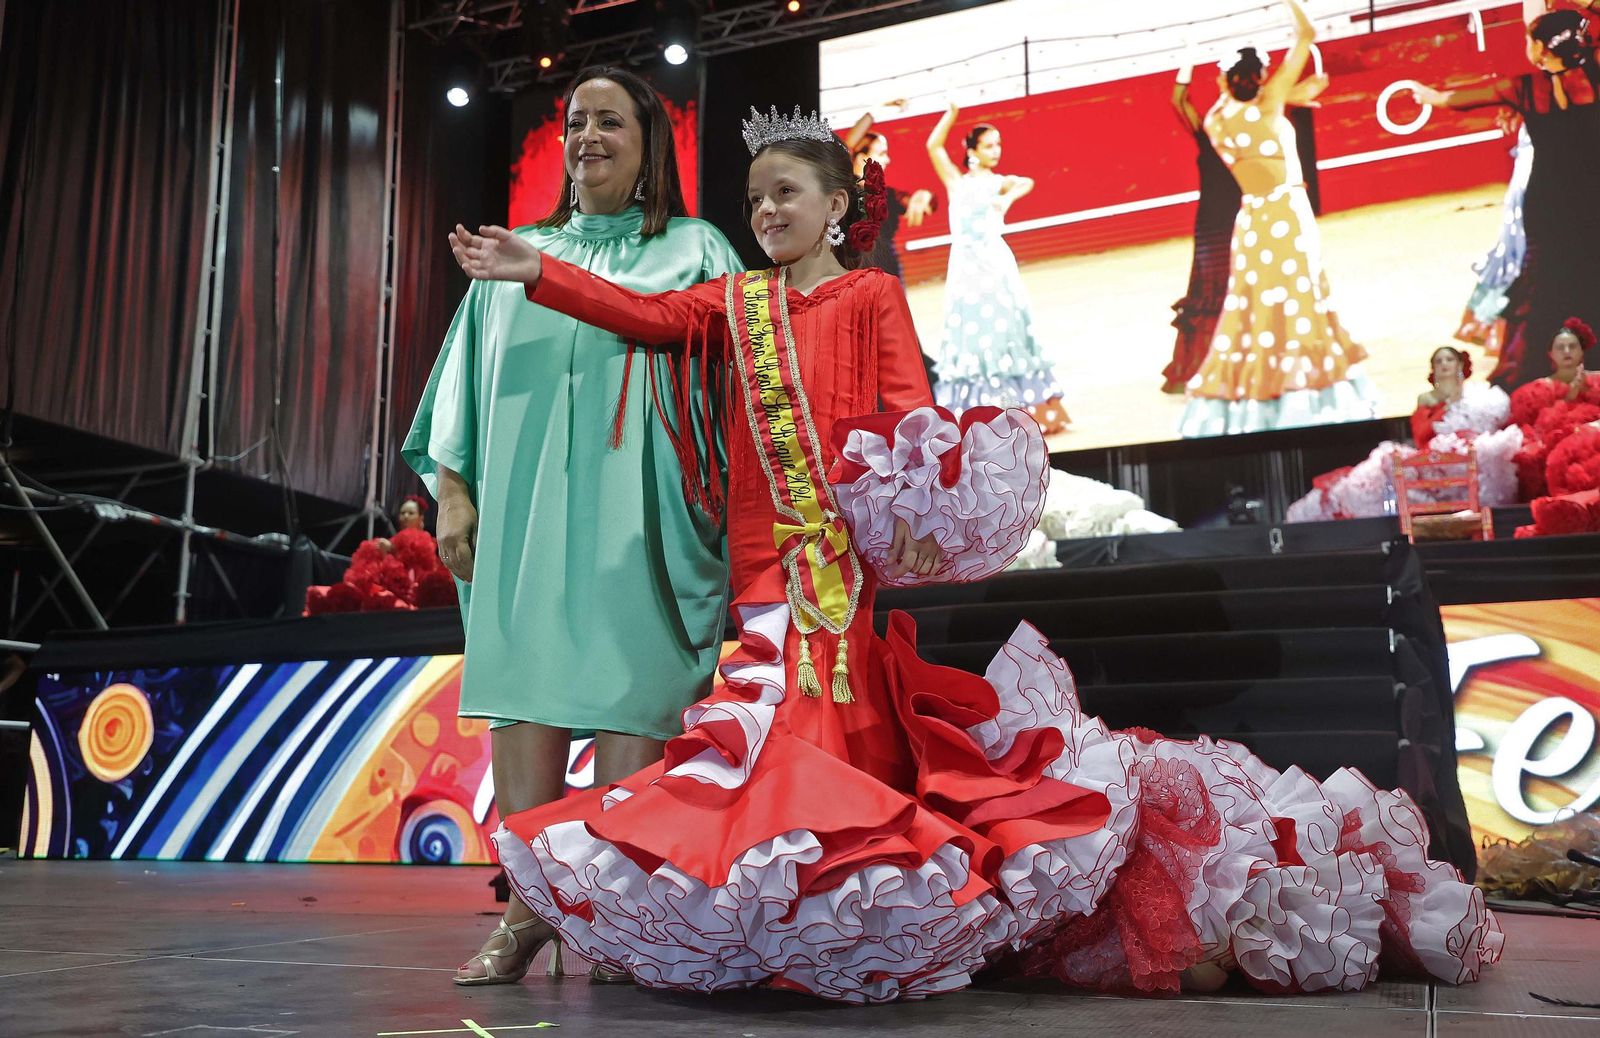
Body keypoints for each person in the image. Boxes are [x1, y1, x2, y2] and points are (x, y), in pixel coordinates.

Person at [447, 105, 1501, 1003]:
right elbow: (639, 311)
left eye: (785, 195)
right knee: (770, 723)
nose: (766, 213)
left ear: (834, 207)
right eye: (755, 199)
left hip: (834, 558)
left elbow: (911, 418)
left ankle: (831, 913)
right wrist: (534, 267)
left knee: (805, 724)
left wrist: (912, 498)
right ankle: (797, 920)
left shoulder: (867, 296)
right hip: (755, 555)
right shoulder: (736, 303)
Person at [402, 66, 746, 985]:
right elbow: (459, 392)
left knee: (634, 696)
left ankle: (618, 909)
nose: (588, 134)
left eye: (610, 121)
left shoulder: (696, 247)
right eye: (575, 121)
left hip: (646, 519)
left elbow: (744, 381)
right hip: (525, 518)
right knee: (525, 695)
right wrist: (455, 496)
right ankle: (530, 911)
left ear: (649, 144)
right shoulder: (511, 255)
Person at [1179, 0, 1379, 437]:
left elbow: (1251, 103)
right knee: (1298, 299)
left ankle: (1254, 396)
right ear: (1263, 77)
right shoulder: (1268, 104)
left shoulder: (1217, 117)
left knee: (1254, 306)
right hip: (1286, 212)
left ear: (1223, 79)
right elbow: (1305, 36)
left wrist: (1294, 93)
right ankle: (1304, 392)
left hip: (1251, 219)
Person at [1412, 3, 1600, 388]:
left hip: (1548, 207)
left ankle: (1546, 367)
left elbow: (1453, 99)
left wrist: (1425, 95)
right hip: (1593, 201)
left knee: (1546, 286)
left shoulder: (1524, 88)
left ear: (1543, 51)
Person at [1164, 59, 1328, 394]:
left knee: (1246, 292)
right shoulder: (1213, 125)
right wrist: (1186, 61)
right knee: (1215, 292)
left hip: (1247, 216)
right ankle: (1209, 369)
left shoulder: (1246, 121)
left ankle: (1251, 364)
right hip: (1216, 221)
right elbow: (1179, 100)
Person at [925, 103, 1069, 433]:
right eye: (989, 145)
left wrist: (1007, 199)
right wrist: (950, 113)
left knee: (1005, 333)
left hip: (996, 265)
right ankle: (982, 415)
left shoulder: (999, 181)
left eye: (998, 144)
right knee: (973, 338)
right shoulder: (957, 182)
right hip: (965, 268)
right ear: (972, 150)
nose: (996, 151)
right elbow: (932, 146)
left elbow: (1027, 181)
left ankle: (1018, 410)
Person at [1286, 346, 1522, 522]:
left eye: (1449, 359)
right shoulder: (1426, 400)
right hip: (1431, 463)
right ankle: (1320, 511)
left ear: (1461, 364)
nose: (1444, 364)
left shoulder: (1481, 397)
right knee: (1378, 468)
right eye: (1439, 360)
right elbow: (1422, 436)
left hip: (1470, 466)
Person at [1456, 122, 1533, 354]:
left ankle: (1487, 324)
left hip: (1538, 160)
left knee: (1518, 245)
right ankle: (1500, 328)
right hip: (1545, 167)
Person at [1508, 317, 1600, 497]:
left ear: (1582, 351)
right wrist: (1568, 397)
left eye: (1572, 346)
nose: (1567, 351)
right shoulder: (1536, 391)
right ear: (1551, 353)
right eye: (1560, 347)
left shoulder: (1597, 382)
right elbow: (1532, 431)